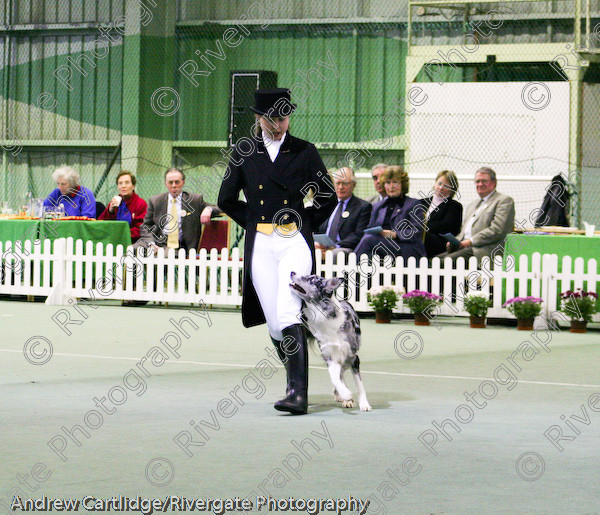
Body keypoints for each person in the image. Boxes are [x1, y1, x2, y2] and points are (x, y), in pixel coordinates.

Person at [218, 88, 336, 415]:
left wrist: (305, 222)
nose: (279, 125)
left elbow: (328, 197)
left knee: (287, 312)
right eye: (272, 119)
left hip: (294, 241)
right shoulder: (243, 152)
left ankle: (299, 394)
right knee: (273, 324)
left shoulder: (305, 151)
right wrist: (254, 221)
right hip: (262, 243)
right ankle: (291, 380)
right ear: (258, 118)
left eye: (284, 118)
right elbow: (226, 199)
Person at [136, 168, 221, 255]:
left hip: (180, 246)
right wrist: (151, 243)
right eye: (170, 182)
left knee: (165, 254)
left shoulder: (194, 201)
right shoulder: (155, 201)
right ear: (165, 184)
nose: (173, 186)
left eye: (177, 182)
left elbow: (220, 208)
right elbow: (146, 226)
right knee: (133, 249)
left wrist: (208, 209)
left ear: (183, 182)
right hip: (158, 242)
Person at [441, 167, 515, 262]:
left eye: (484, 181)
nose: (480, 184)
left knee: (446, 262)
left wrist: (470, 241)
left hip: (483, 251)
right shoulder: (472, 205)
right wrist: (455, 241)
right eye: (477, 181)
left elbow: (497, 230)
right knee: (434, 261)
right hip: (464, 249)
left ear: (494, 183)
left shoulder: (504, 201)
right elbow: (464, 232)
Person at [354, 166, 426, 261]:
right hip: (381, 247)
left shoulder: (413, 204)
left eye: (395, 182)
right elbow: (370, 228)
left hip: (406, 248)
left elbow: (417, 232)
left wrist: (395, 234)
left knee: (369, 240)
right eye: (388, 183)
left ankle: (349, 270)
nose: (391, 186)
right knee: (368, 239)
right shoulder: (377, 206)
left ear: (402, 184)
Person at [314, 167, 372, 256]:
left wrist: (335, 246)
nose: (341, 187)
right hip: (322, 247)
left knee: (335, 254)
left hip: (344, 249)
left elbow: (359, 234)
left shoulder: (363, 207)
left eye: (345, 184)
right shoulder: (326, 205)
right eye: (338, 183)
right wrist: (318, 244)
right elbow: (317, 229)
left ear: (353, 185)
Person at [421, 170, 463, 258]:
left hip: (440, 244)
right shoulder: (421, 203)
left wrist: (423, 227)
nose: (441, 188)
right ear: (435, 184)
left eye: (446, 186)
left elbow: (446, 226)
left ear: (452, 190)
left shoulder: (454, 206)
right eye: (439, 184)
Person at [98, 170, 147, 243]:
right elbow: (101, 223)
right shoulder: (114, 202)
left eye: (127, 183)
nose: (123, 186)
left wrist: (120, 234)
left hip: (133, 241)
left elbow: (141, 229)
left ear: (133, 186)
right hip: (113, 240)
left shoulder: (140, 204)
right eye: (120, 183)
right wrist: (110, 211)